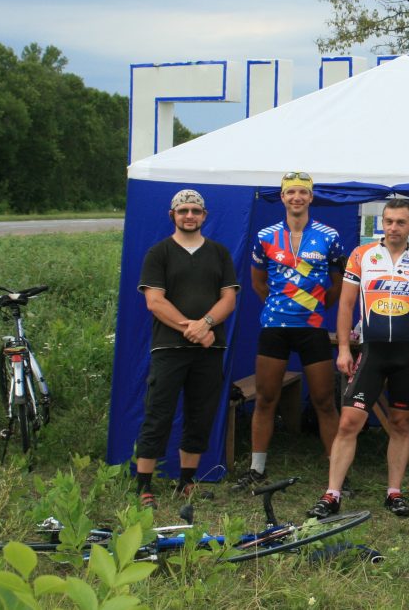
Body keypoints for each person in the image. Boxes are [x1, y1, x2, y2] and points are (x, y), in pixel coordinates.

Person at [307, 199, 409, 518]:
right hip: (371, 352)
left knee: (401, 424)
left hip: (406, 353)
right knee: (349, 422)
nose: (393, 227)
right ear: (382, 223)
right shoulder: (362, 255)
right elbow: (345, 305)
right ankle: (332, 494)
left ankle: (394, 493)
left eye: (400, 222)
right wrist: (343, 348)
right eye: (388, 221)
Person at [236, 171, 346, 489]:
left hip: (313, 327)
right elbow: (258, 282)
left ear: (311, 197)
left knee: (324, 401)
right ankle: (257, 469)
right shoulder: (266, 236)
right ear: (282, 197)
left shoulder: (328, 235)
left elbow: (337, 284)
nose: (297, 197)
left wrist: (315, 308)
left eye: (302, 192)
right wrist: (279, 307)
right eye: (291, 192)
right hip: (275, 326)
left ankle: (337, 472)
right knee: (266, 398)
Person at [135, 189, 240, 509]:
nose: (189, 216)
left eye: (195, 210)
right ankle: (144, 486)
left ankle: (186, 482)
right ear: (173, 215)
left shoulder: (219, 253)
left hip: (210, 350)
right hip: (169, 348)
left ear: (204, 216)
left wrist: (206, 324)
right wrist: (192, 330)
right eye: (183, 211)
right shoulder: (159, 253)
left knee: (200, 415)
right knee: (158, 413)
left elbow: (228, 299)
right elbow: (155, 302)